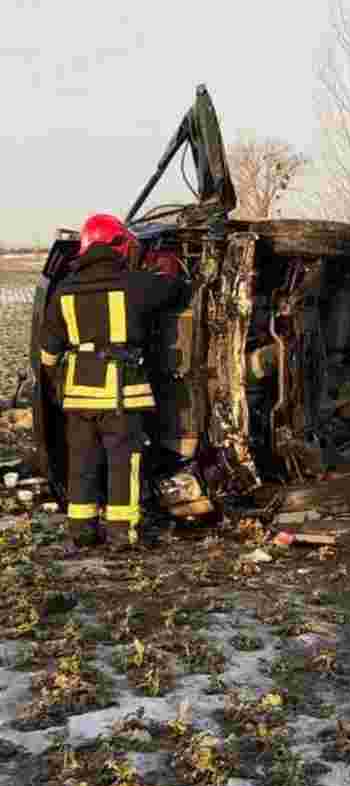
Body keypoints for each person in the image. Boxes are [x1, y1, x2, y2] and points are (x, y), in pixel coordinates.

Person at [39, 213, 190, 552]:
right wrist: (168, 269)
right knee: (123, 463)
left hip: (79, 398)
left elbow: (48, 355)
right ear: (118, 246)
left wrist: (61, 383)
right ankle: (122, 534)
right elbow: (176, 290)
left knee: (82, 465)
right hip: (121, 396)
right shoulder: (135, 284)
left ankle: (82, 531)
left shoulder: (64, 291)